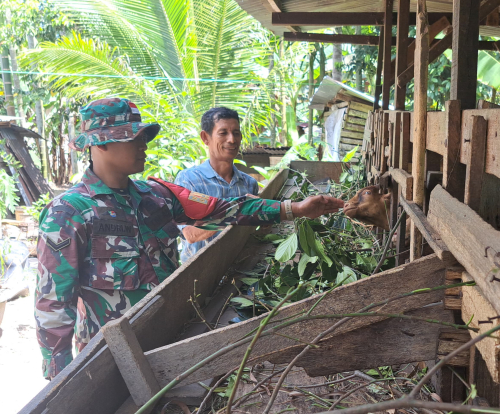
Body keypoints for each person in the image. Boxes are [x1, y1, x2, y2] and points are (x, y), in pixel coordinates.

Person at [35, 98, 343, 380]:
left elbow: (227, 209)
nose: (144, 144)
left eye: (144, 136)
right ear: (101, 144)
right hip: (108, 360)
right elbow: (53, 304)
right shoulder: (68, 213)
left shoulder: (157, 196)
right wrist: (60, 378)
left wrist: (294, 208)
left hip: (171, 343)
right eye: (135, 137)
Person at [175, 107, 258, 263]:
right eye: (223, 133)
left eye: (236, 133)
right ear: (205, 138)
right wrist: (237, 210)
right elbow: (190, 234)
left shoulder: (249, 183)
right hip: (199, 276)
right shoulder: (189, 180)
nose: (232, 140)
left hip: (239, 271)